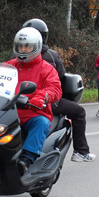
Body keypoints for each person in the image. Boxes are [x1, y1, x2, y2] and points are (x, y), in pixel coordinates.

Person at [22, 18, 96, 162]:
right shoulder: (51, 55)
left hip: (20, 100)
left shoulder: (16, 56)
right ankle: (81, 151)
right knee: (79, 112)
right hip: (45, 101)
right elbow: (60, 78)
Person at [5, 28, 62, 175]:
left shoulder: (47, 69)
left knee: (41, 123)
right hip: (10, 113)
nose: (23, 50)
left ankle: (26, 159)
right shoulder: (8, 66)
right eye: (20, 46)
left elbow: (55, 89)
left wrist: (41, 97)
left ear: (36, 47)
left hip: (34, 112)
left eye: (27, 47)